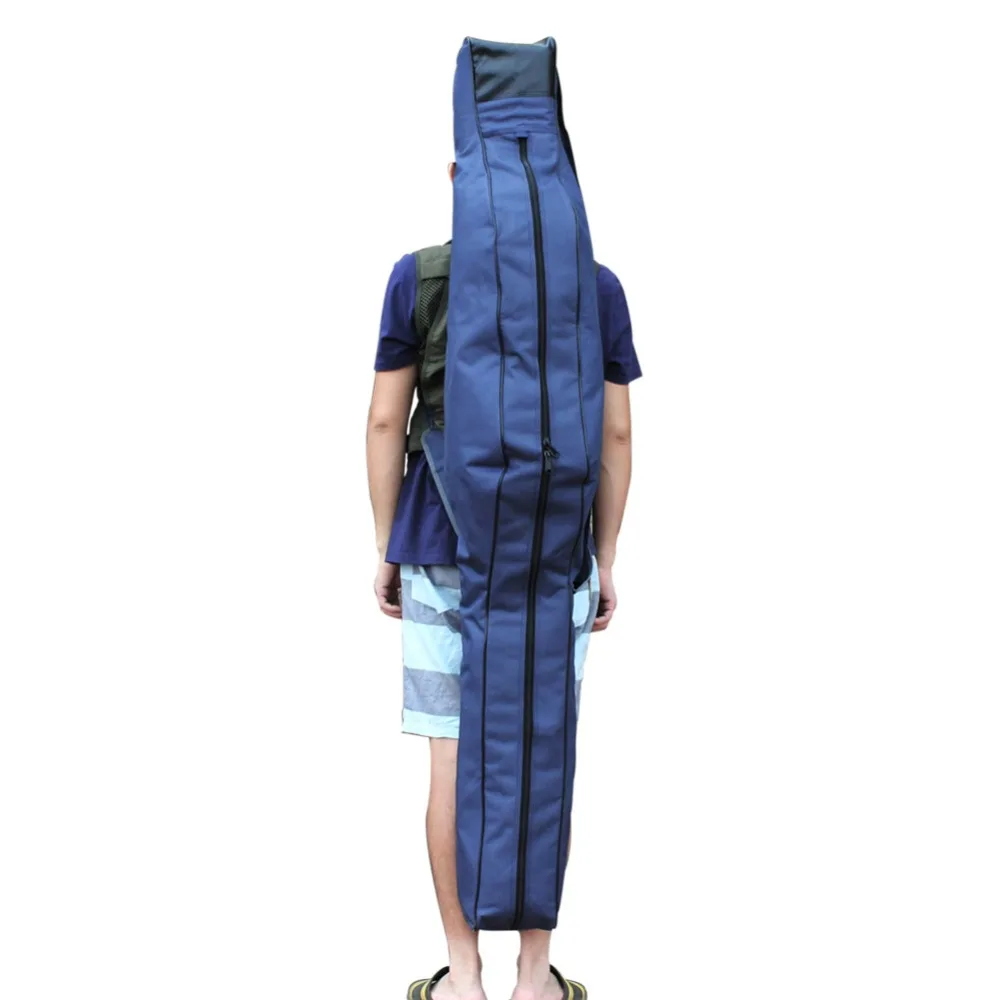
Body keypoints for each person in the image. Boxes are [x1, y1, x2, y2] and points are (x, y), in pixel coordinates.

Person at [366, 162, 641, 1000]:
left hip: (440, 544)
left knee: (451, 758)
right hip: (552, 556)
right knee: (540, 746)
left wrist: (389, 543)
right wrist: (605, 554)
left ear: (460, 173)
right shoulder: (596, 286)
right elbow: (616, 436)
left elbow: (385, 419)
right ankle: (534, 977)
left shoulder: (420, 277)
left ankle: (462, 975)